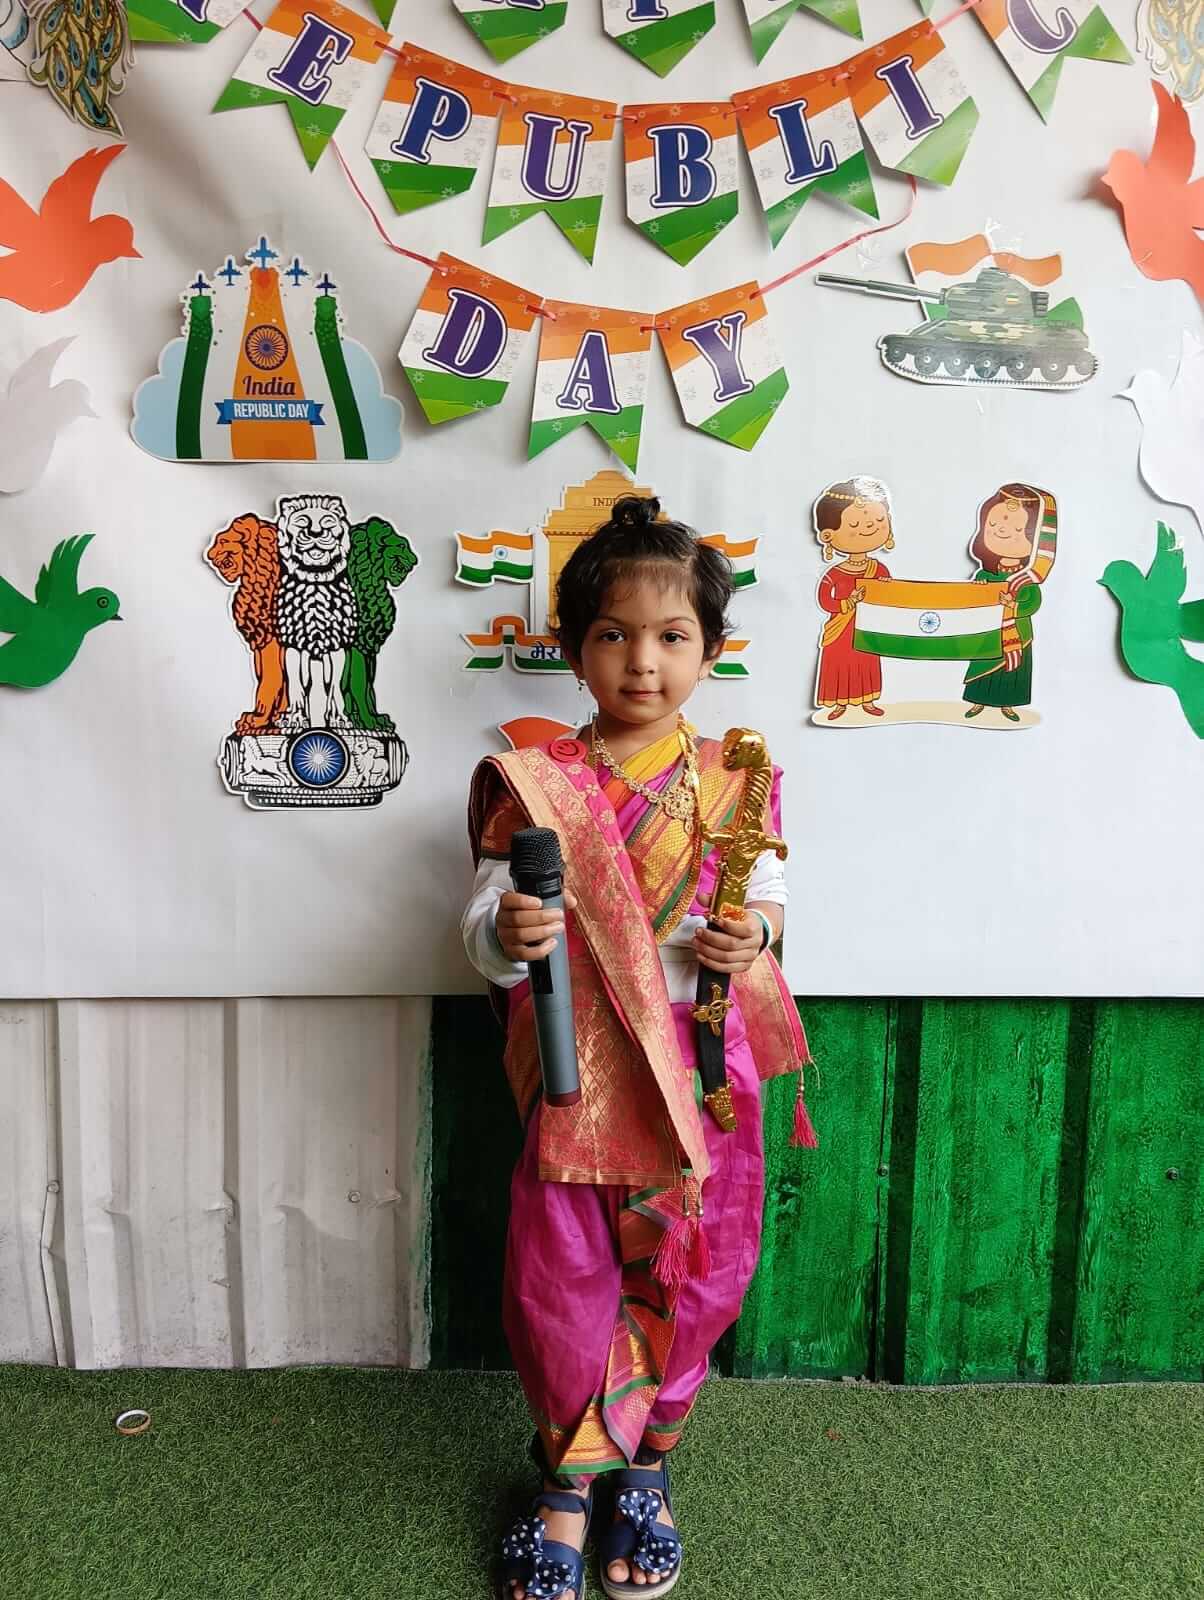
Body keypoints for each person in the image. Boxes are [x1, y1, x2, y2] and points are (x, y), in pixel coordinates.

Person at [462, 495, 815, 1600]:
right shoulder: (533, 785)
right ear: (572, 650)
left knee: (696, 1269)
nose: (641, 661)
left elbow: (771, 905)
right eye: (613, 634)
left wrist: (751, 933)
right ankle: (567, 1485)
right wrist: (505, 935)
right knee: (560, 1275)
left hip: (706, 1069)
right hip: (582, 1065)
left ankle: (648, 1469)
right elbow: (482, 919)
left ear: (711, 651)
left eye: (671, 637)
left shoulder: (734, 782)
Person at [963, 484, 1053, 722]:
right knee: (984, 665)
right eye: (993, 526)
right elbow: (973, 599)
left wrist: (1011, 606)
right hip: (988, 633)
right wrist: (980, 592)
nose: (1002, 531)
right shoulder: (985, 575)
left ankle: (1008, 705)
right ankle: (977, 702)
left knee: (1014, 669)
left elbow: (1032, 603)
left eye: (1017, 529)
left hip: (1018, 635)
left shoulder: (1027, 578)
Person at [812, 476, 895, 720]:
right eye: (855, 524)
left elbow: (888, 595)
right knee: (840, 664)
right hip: (842, 628)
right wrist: (849, 602)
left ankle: (867, 700)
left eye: (879, 521)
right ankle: (839, 704)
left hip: (868, 629)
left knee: (866, 662)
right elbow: (825, 600)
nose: (868, 528)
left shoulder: (879, 570)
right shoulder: (834, 573)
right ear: (829, 535)